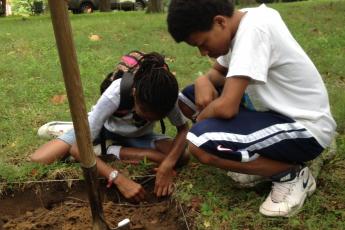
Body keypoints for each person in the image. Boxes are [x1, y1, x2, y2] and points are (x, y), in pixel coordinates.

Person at [168, 0, 336, 217]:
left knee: (199, 143)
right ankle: (259, 161)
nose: (203, 52)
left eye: (203, 43)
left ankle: (290, 175)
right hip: (274, 114)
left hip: (305, 127)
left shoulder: (254, 30)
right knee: (188, 99)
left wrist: (202, 119)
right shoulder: (241, 21)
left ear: (219, 22)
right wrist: (202, 81)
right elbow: (216, 76)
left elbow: (227, 107)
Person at [30, 52, 189, 202]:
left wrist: (167, 165)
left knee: (182, 157)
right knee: (40, 160)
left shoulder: (168, 95)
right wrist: (117, 178)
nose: (151, 118)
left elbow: (183, 129)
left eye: (158, 116)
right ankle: (84, 133)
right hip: (105, 130)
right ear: (134, 93)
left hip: (138, 136)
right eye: (146, 112)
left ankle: (108, 150)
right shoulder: (116, 93)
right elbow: (77, 149)